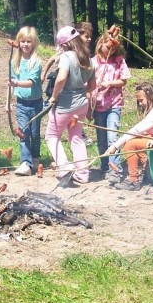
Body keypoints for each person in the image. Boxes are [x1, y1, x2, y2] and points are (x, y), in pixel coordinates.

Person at [45, 25, 96, 185]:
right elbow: (92, 86)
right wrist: (80, 90)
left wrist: (54, 96)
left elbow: (61, 78)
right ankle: (82, 174)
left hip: (65, 105)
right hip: (82, 105)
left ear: (65, 44)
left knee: (52, 136)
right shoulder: (88, 58)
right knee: (76, 138)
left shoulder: (67, 57)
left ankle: (65, 169)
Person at [104, 82, 153, 191]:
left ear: (150, 96)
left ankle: (133, 181)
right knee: (135, 139)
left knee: (130, 144)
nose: (140, 104)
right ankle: (147, 170)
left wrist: (115, 146)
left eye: (141, 100)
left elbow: (136, 130)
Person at [91, 33, 131, 179]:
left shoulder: (118, 61)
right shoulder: (93, 62)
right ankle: (105, 166)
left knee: (112, 136)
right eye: (108, 47)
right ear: (101, 43)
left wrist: (109, 83)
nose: (111, 51)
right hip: (98, 105)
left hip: (114, 104)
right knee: (101, 138)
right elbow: (88, 84)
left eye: (114, 49)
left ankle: (116, 169)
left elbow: (124, 80)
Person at [8, 26, 43, 176]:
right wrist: (7, 102)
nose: (25, 45)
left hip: (35, 104)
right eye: (22, 41)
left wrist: (15, 83)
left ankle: (35, 158)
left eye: (29, 41)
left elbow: (30, 82)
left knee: (34, 134)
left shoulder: (36, 62)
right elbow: (10, 82)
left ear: (34, 43)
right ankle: (25, 163)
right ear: (18, 42)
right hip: (21, 103)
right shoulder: (14, 61)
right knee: (23, 133)